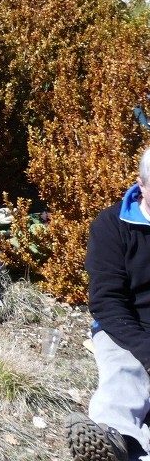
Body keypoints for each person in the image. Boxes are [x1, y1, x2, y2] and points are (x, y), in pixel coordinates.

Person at [66, 147, 150, 461]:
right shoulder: (111, 225)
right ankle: (109, 437)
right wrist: (147, 352)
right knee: (125, 372)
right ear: (141, 186)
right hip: (124, 327)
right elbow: (107, 301)